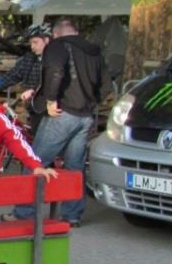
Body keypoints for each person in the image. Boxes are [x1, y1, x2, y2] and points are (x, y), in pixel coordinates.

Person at [12, 18, 105, 227]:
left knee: (35, 161)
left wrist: (51, 100)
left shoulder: (58, 46)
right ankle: (72, 215)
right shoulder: (94, 51)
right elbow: (105, 82)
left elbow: (56, 71)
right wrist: (92, 102)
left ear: (55, 34)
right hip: (86, 114)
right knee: (75, 167)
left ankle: (24, 212)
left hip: (63, 111)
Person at [0, 24, 50, 138]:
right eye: (31, 43)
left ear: (46, 40)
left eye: (35, 42)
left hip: (52, 109)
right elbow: (13, 74)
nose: (32, 46)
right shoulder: (30, 58)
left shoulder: (57, 59)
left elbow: (55, 81)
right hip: (35, 108)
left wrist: (34, 90)